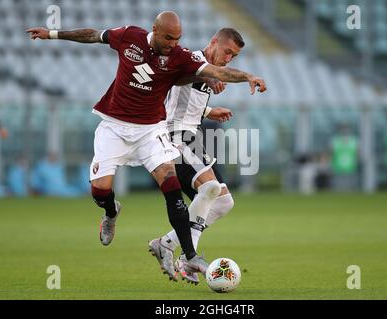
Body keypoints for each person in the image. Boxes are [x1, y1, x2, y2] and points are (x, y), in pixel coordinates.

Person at [26, 11, 267, 282]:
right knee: (100, 189)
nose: (172, 44)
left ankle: (185, 254)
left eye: (177, 39)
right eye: (168, 37)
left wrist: (227, 93)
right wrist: (54, 33)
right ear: (155, 29)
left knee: (216, 199)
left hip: (155, 131)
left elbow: (196, 84)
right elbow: (94, 35)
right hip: (126, 126)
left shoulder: (179, 57)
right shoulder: (135, 38)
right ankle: (113, 213)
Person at [152, 28, 244, 285]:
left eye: (233, 56)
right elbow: (182, 75)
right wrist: (210, 77)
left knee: (223, 202)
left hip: (191, 137)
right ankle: (186, 256)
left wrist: (208, 110)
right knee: (212, 188)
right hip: (175, 137)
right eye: (227, 51)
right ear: (213, 42)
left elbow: (182, 98)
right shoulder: (192, 60)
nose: (228, 59)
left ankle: (167, 243)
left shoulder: (204, 69)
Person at [330, 124, 359, 192]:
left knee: (350, 185)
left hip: (351, 166)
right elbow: (331, 153)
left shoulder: (354, 140)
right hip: (337, 166)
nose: (345, 131)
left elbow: (357, 153)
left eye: (346, 129)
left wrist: (356, 161)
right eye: (343, 129)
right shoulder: (334, 140)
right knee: (338, 185)